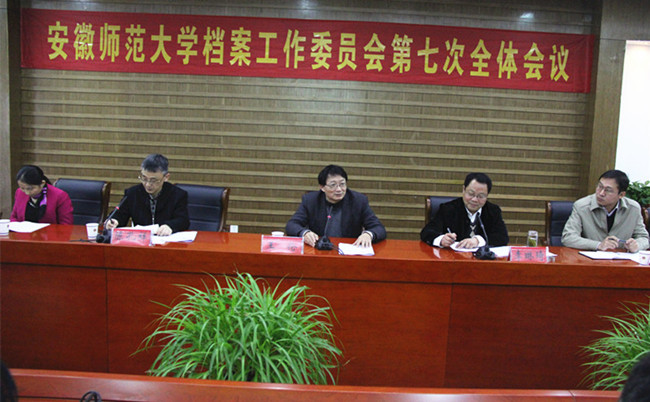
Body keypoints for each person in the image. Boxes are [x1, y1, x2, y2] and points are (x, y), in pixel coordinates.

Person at [285, 164, 386, 247]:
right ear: (322, 187)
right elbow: (292, 225)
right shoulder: (311, 200)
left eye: (342, 184)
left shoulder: (358, 201)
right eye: (333, 185)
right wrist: (304, 233)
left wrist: (369, 234)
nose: (339, 189)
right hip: (318, 250)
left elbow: (378, 228)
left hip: (348, 251)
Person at [562, 169, 649, 252]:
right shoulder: (582, 206)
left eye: (608, 190)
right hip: (589, 258)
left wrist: (637, 245)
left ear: (621, 195)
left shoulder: (633, 208)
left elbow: (644, 238)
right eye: (600, 187)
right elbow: (568, 238)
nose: (601, 193)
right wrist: (598, 245)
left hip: (621, 259)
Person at [105, 154, 189, 236]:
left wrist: (170, 226)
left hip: (166, 241)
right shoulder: (132, 193)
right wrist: (114, 221)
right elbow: (120, 214)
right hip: (140, 240)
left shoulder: (177, 195)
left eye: (153, 180)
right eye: (144, 179)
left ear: (166, 177)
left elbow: (183, 220)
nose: (148, 184)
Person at [420, 172, 509, 248]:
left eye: (481, 196)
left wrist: (478, 240)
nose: (474, 199)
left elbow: (502, 237)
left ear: (487, 196)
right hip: (452, 259)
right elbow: (427, 232)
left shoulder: (493, 211)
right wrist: (441, 239)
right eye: (471, 194)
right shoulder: (448, 209)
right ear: (463, 190)